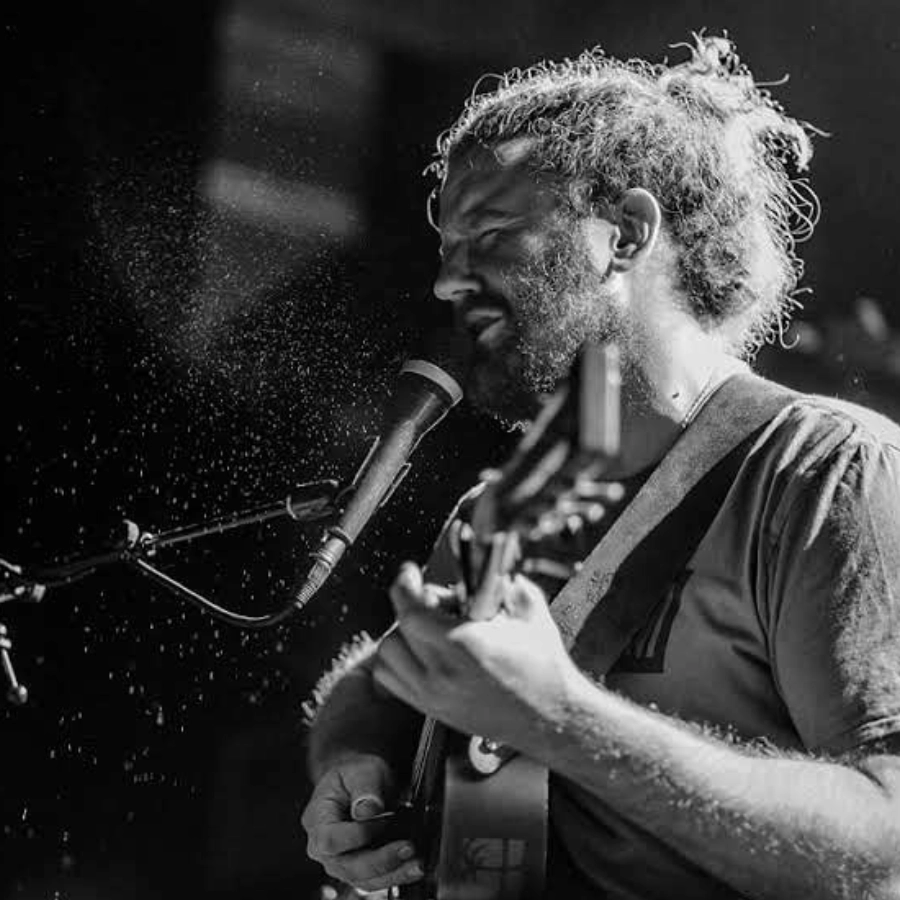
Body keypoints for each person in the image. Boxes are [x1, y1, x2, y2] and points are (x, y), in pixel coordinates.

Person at [301, 35, 900, 900]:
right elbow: (377, 682)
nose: (447, 283)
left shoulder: (823, 474)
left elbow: (886, 841)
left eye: (492, 233)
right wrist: (355, 758)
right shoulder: (503, 515)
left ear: (625, 233)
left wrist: (563, 720)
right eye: (447, 246)